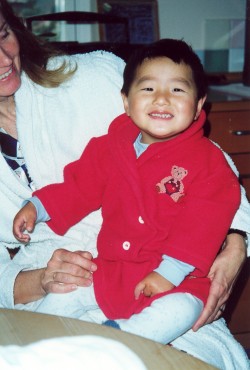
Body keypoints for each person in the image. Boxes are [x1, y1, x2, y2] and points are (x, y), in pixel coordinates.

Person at [0, 0, 249, 368]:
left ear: (199, 107)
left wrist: (236, 244)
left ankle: (119, 340)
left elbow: (220, 195)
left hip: (176, 277)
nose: (5, 59)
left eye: (3, 34)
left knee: (173, 321)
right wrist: (40, 211)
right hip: (98, 272)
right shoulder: (114, 144)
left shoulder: (95, 77)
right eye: (148, 92)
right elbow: (81, 183)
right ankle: (49, 340)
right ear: (127, 102)